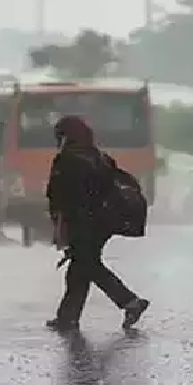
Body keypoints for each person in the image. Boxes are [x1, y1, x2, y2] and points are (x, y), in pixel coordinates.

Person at [44, 115, 150, 331]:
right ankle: (67, 317)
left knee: (88, 265)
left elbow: (57, 196)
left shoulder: (67, 159)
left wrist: (59, 225)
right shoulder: (100, 157)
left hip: (82, 221)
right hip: (104, 221)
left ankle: (130, 302)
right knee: (80, 268)